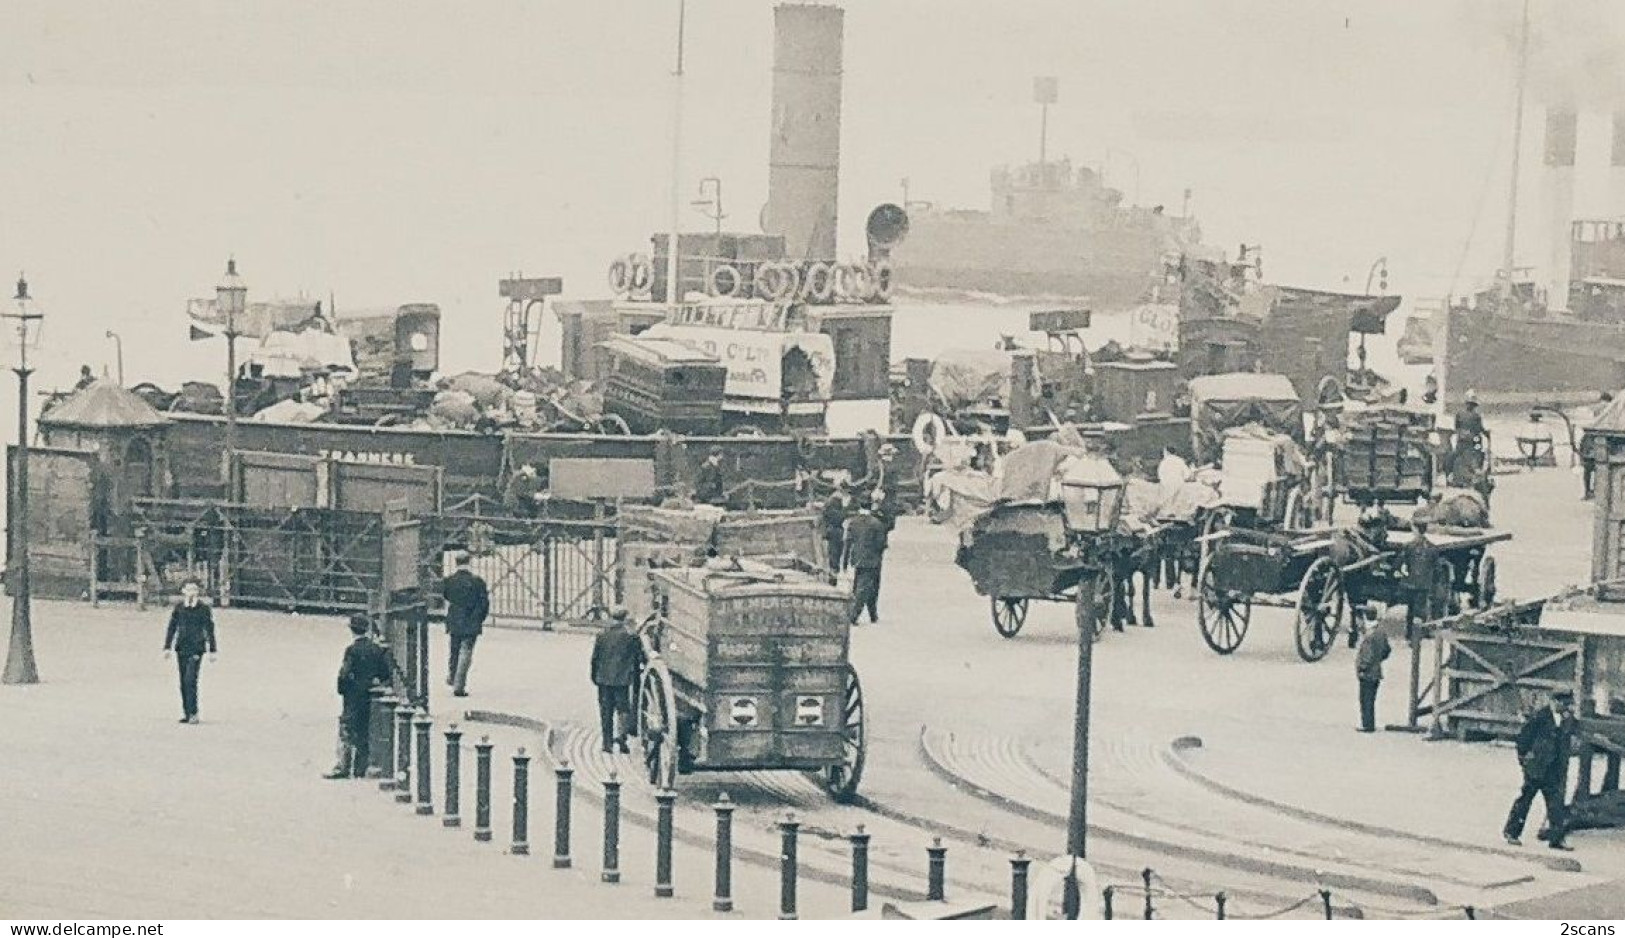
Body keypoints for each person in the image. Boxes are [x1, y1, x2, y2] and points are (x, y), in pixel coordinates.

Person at [1503, 691, 1576, 851]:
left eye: (1567, 704)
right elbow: (1523, 739)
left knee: (1555, 804)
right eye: (1563, 704)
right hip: (1536, 767)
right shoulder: (1540, 717)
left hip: (1553, 768)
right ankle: (1512, 832)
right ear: (1554, 701)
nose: (1565, 707)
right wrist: (1524, 760)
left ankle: (1556, 839)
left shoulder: (1566, 719)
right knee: (1525, 799)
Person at [326, 614, 393, 779]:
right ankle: (360, 768)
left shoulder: (351, 650)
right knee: (364, 731)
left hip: (353, 695)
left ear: (352, 630)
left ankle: (343, 766)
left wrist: (342, 689)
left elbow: (344, 674)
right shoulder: (376, 649)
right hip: (370, 695)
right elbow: (385, 673)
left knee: (347, 729)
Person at [162, 580, 218, 724]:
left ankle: (194, 712)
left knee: (190, 679)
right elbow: (172, 627)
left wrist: (212, 649)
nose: (192, 592)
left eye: (194, 589)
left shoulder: (203, 609)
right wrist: (167, 647)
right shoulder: (179, 608)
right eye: (189, 589)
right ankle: (186, 712)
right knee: (182, 681)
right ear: (183, 591)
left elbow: (209, 629)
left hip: (196, 648)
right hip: (181, 647)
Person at [590, 608, 642, 754]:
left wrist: (594, 676)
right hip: (622, 680)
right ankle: (622, 737)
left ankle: (607, 744)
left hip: (604, 680)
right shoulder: (631, 637)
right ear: (624, 619)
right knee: (623, 709)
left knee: (605, 712)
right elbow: (638, 658)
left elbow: (594, 659)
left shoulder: (602, 635)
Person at [441, 553, 490, 697]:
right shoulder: (477, 582)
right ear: (469, 562)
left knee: (454, 650)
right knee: (466, 653)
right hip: (471, 620)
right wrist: (479, 618)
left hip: (455, 619)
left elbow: (446, 596)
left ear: (456, 563)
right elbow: (484, 603)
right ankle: (459, 685)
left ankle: (452, 675)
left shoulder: (450, 580)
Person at [844, 502, 889, 625]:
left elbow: (848, 542)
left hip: (857, 559)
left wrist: (845, 562)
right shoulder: (877, 524)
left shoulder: (853, 522)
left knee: (858, 586)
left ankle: (872, 614)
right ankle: (854, 616)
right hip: (872, 560)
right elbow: (881, 544)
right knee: (869, 588)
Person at [1354, 609, 1392, 733]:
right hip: (1377, 671)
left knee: (1365, 700)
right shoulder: (1381, 632)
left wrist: (1362, 668)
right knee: (1371, 699)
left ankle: (1367, 725)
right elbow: (1387, 650)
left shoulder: (1370, 635)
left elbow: (1367, 654)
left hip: (1368, 673)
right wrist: (1378, 660)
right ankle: (1369, 724)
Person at [820, 484, 852, 576]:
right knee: (835, 553)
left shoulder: (832, 502)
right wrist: (846, 509)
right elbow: (838, 517)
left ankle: (835, 571)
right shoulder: (834, 502)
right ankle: (834, 573)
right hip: (834, 531)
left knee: (835, 553)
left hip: (834, 530)